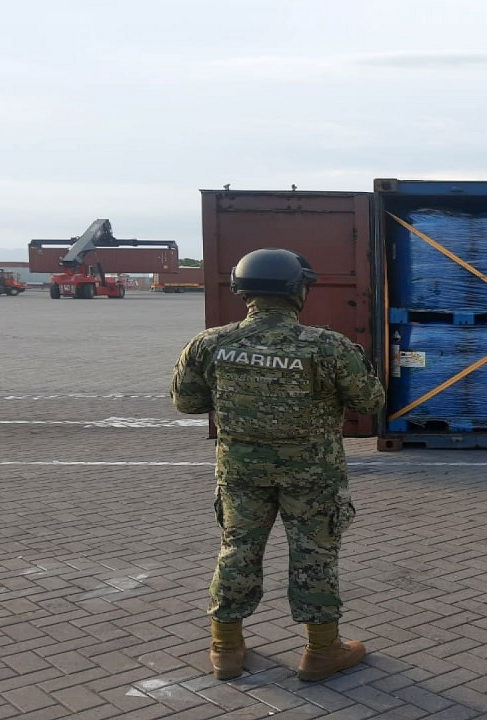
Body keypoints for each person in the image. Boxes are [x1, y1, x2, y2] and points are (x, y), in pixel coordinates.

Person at [171, 248, 386, 682]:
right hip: (313, 474)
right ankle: (322, 651)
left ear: (241, 289)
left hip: (241, 472)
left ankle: (226, 648)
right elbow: (370, 401)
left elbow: (187, 401)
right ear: (298, 290)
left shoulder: (211, 343)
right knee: (315, 556)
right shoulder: (327, 345)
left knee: (237, 550)